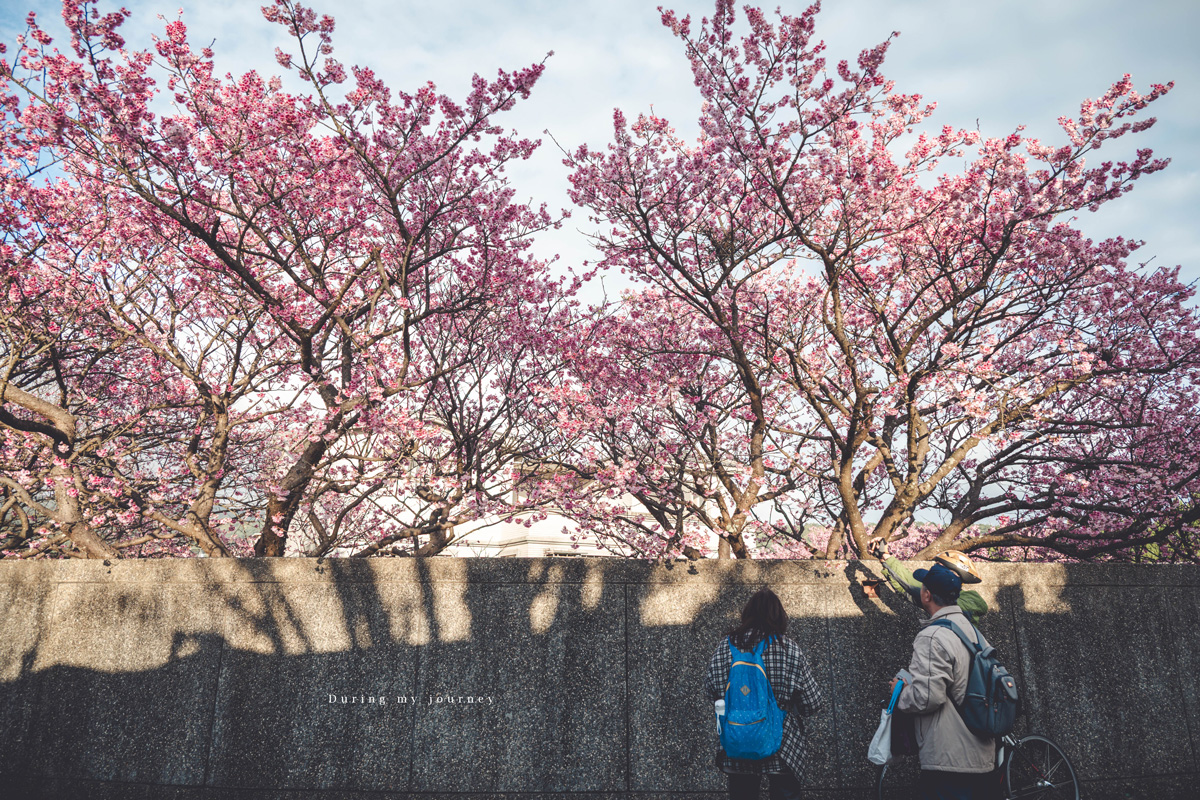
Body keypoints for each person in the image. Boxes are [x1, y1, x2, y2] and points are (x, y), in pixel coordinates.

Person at [889, 564, 996, 800]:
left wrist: (901, 690)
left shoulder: (932, 636)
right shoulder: (973, 631)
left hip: (950, 758)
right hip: (982, 753)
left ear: (926, 595)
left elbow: (928, 697)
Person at [703, 588, 822, 800]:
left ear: (747, 614)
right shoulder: (788, 648)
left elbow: (711, 689)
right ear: (779, 616)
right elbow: (812, 704)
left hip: (738, 741)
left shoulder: (725, 647)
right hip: (783, 746)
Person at [867, 538, 990, 621]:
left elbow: (911, 584)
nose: (934, 570)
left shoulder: (970, 600)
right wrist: (883, 560)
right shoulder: (939, 600)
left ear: (954, 574)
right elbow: (906, 591)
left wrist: (887, 556)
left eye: (940, 568)